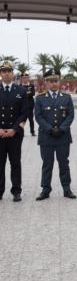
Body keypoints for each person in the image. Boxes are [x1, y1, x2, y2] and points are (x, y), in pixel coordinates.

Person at [35, 69, 76, 200]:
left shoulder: (66, 98)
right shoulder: (40, 98)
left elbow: (70, 115)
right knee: (47, 164)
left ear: (60, 82)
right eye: (51, 81)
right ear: (46, 83)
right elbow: (38, 116)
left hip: (62, 137)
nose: (54, 84)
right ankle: (45, 190)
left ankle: (67, 189)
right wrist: (50, 129)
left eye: (56, 81)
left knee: (64, 163)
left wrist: (62, 128)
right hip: (46, 137)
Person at [0, 61, 27, 202]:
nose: (6, 73)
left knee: (15, 163)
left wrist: (14, 129)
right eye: (3, 71)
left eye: (9, 70)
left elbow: (24, 113)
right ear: (0, 73)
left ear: (12, 73)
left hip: (15, 134)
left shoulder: (21, 91)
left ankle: (16, 191)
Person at [21, 72, 36, 136]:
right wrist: (27, 93)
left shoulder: (31, 86)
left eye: (26, 78)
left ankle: (32, 132)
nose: (25, 79)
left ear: (28, 78)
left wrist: (24, 94)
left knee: (31, 120)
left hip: (30, 105)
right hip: (22, 106)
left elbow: (33, 93)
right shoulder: (19, 86)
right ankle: (21, 132)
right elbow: (19, 95)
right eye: (23, 78)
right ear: (21, 79)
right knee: (22, 120)